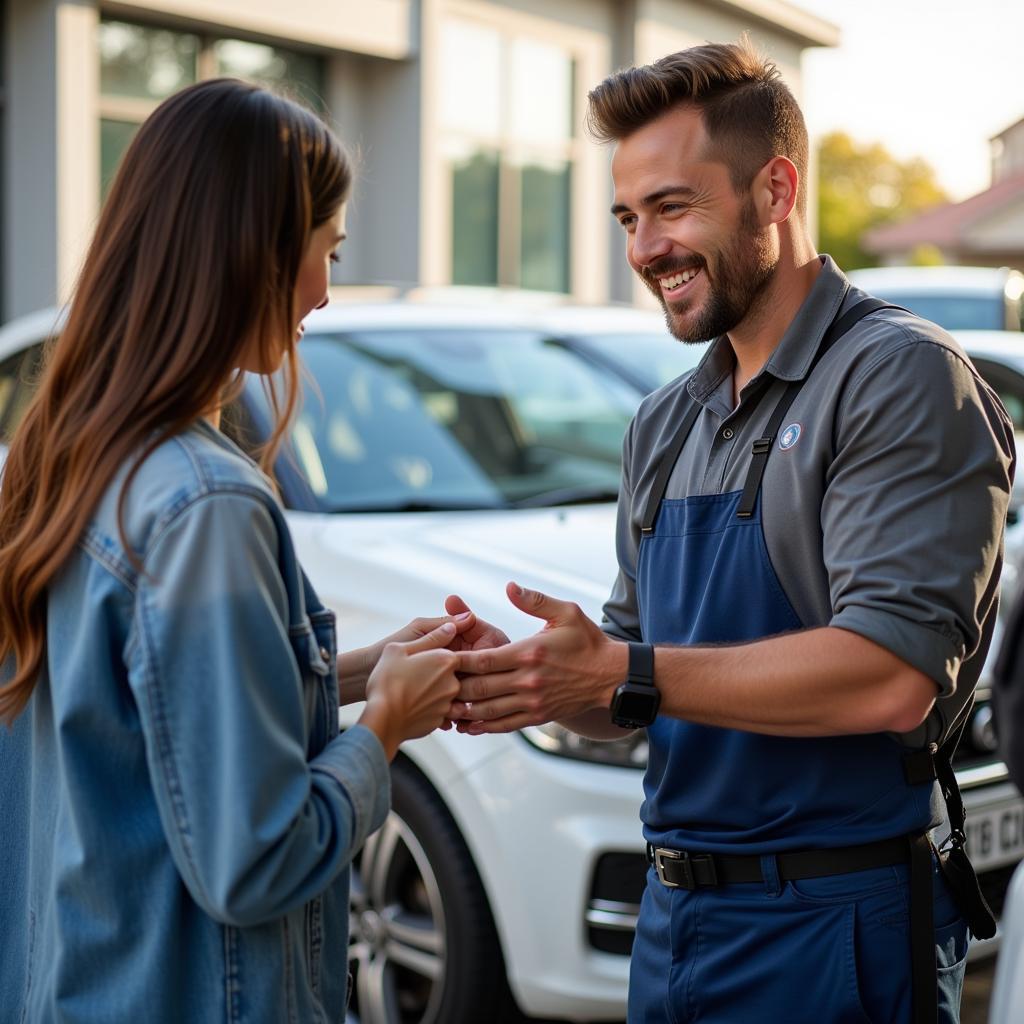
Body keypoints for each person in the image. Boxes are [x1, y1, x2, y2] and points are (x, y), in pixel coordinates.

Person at [449, 40, 1015, 1023]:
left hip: (834, 927)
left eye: (671, 207)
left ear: (775, 189)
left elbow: (890, 676)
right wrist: (537, 678)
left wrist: (625, 670)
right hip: (671, 926)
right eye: (629, 218)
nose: (643, 249)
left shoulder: (897, 376)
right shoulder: (664, 422)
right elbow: (634, 692)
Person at [0, 79, 504, 1022]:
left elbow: (142, 720)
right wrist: (384, 728)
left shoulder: (59, 461)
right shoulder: (205, 504)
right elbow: (258, 858)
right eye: (328, 251)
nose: (325, 290)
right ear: (254, 252)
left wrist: (361, 672)